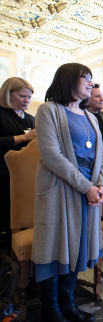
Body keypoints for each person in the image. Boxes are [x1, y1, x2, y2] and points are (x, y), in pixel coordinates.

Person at [32, 63, 103, 321]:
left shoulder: (91, 117)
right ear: (68, 79)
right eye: (85, 78)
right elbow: (51, 155)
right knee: (55, 247)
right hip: (59, 190)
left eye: (92, 79)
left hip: (88, 192)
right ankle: (51, 309)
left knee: (78, 247)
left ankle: (68, 304)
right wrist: (87, 187)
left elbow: (102, 158)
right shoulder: (48, 111)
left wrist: (100, 186)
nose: (91, 83)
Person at [0, 77, 35, 250]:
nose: (27, 101)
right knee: (6, 217)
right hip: (3, 174)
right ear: (8, 94)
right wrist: (23, 137)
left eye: (29, 97)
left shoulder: (30, 118)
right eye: (22, 96)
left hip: (27, 176)